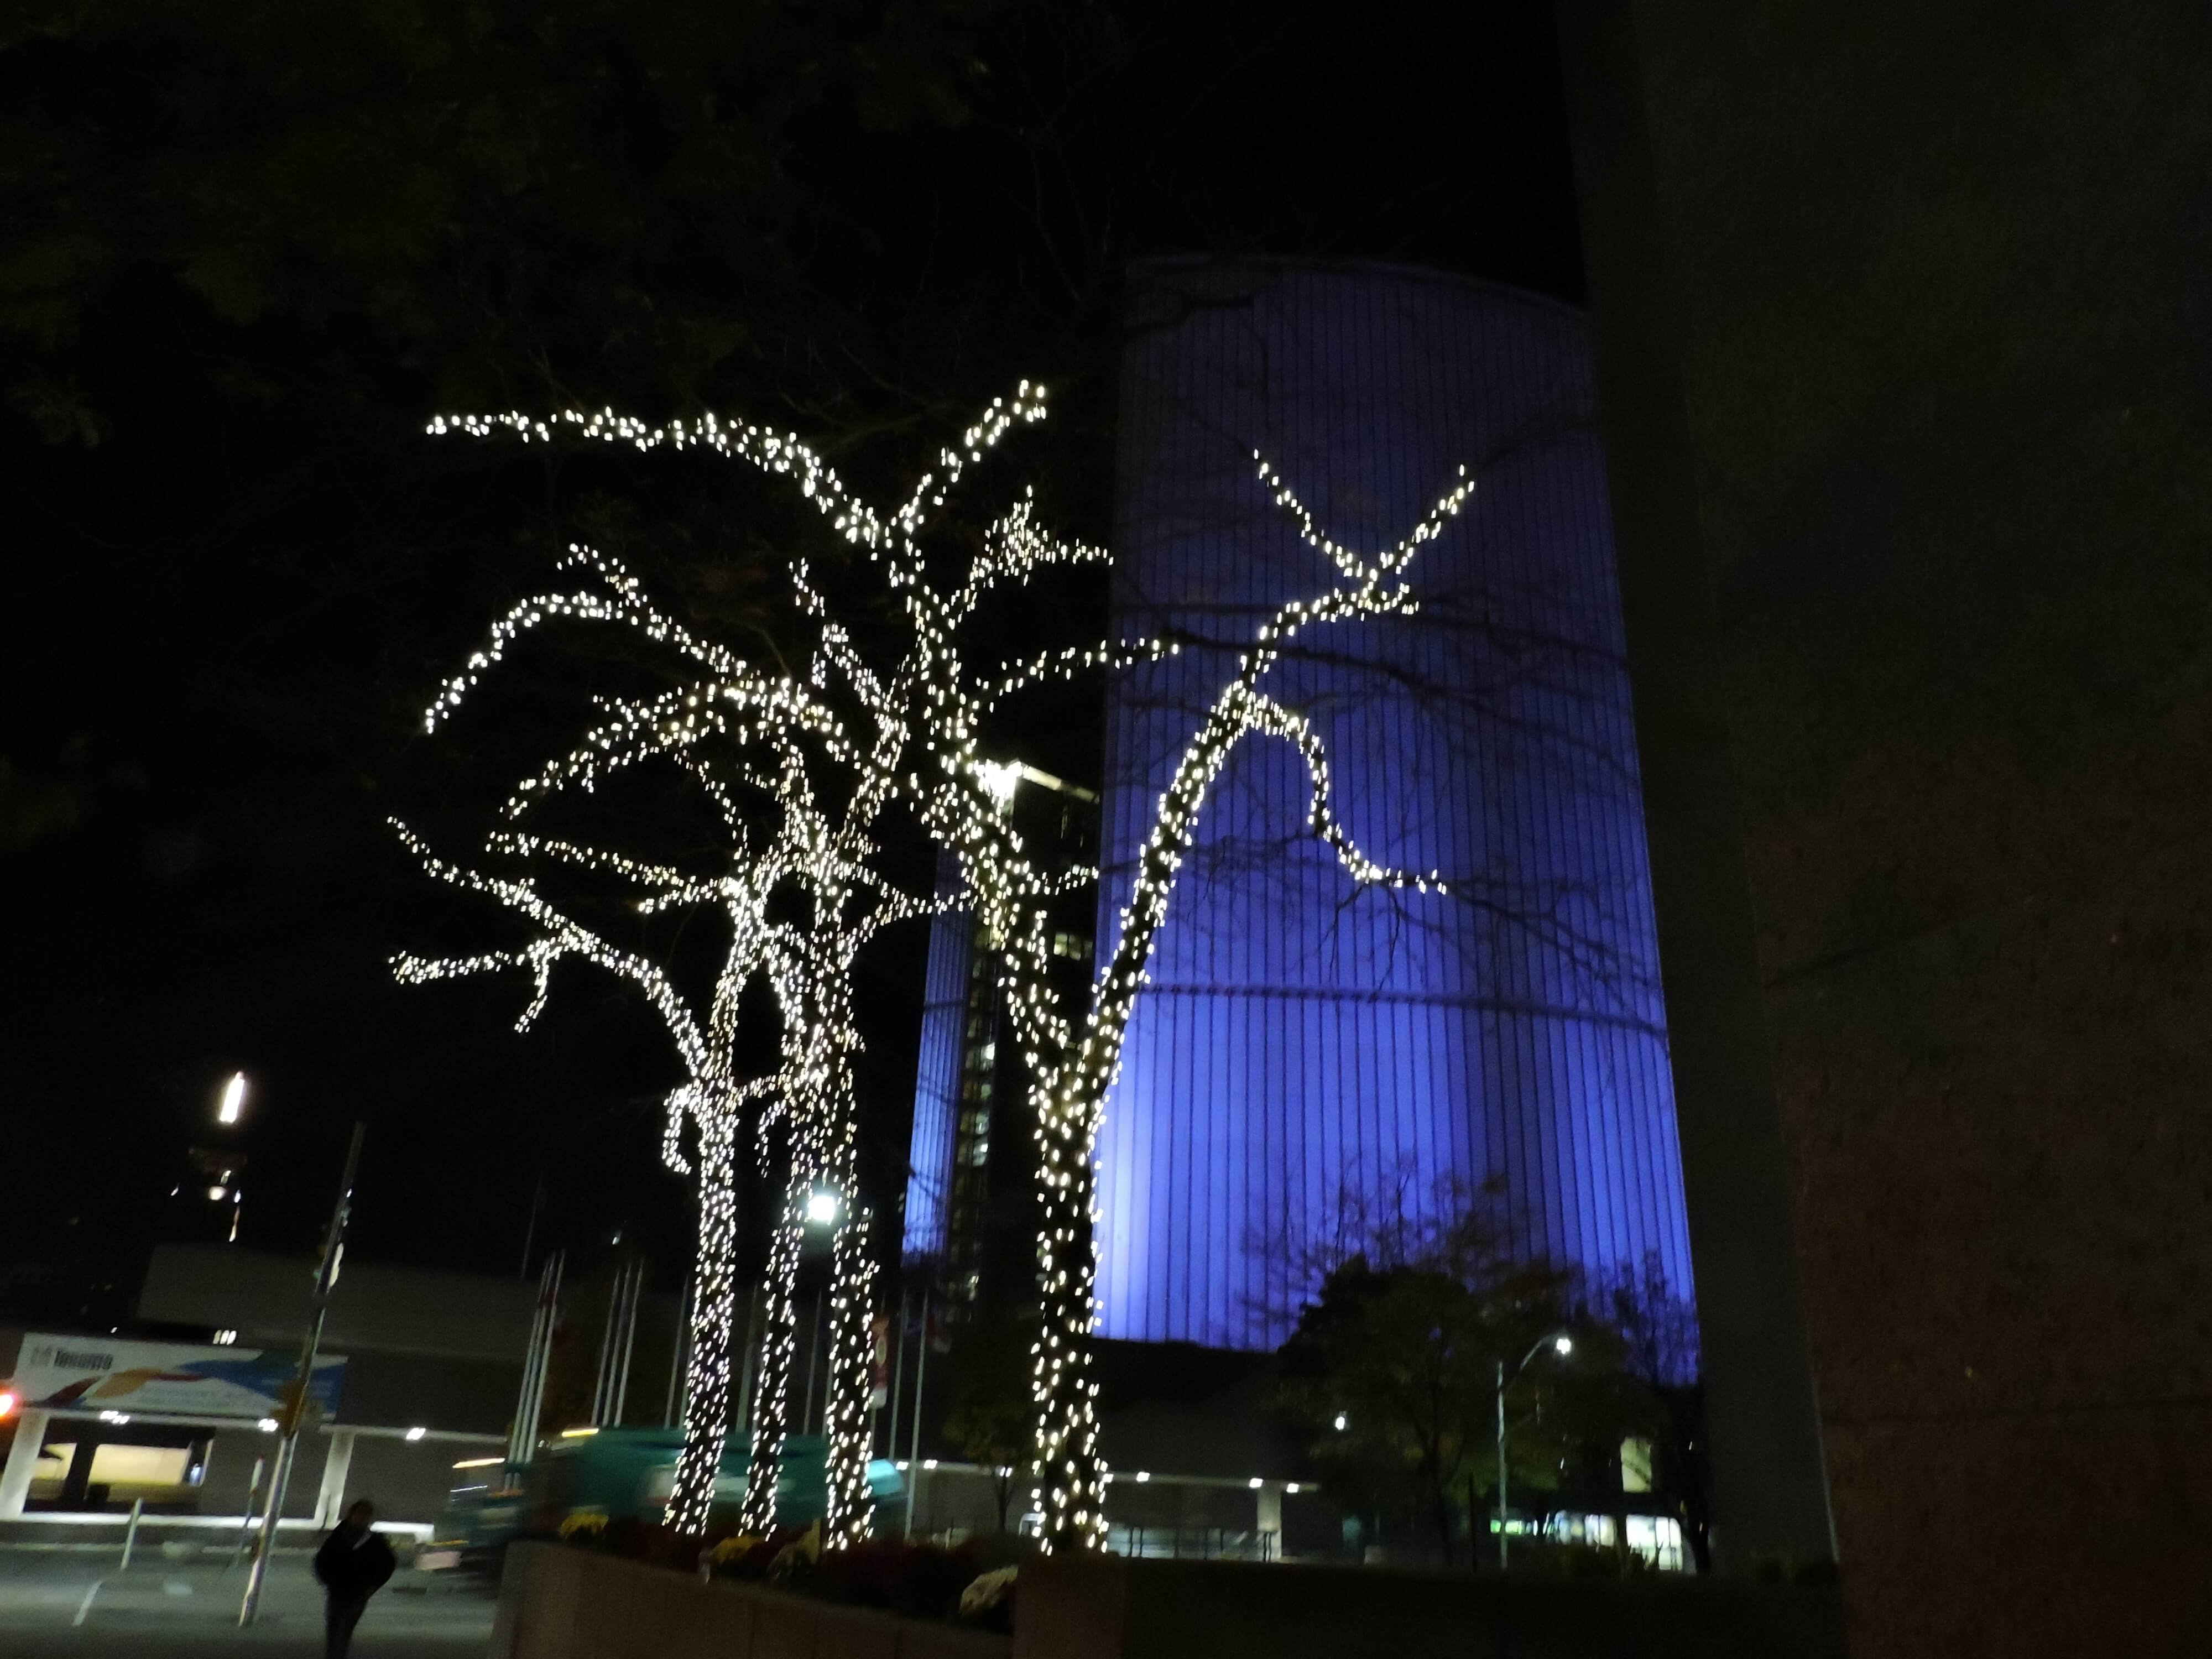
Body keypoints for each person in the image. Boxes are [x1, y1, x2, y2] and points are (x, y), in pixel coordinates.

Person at [313, 1498, 396, 1659]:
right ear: (351, 1515)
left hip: (358, 1594)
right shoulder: (337, 1537)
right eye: (360, 1514)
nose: (362, 1519)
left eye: (366, 1516)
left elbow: (388, 1564)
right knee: (333, 1630)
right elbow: (321, 1560)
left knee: (344, 1631)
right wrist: (327, 1581)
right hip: (337, 1592)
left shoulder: (374, 1542)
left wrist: (373, 1586)